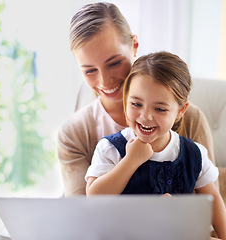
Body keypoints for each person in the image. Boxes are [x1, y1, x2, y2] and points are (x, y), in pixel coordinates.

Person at [58, 2, 215, 196]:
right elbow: (81, 212)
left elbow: (210, 204)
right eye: (90, 70)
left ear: (134, 46)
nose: (105, 81)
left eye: (114, 63)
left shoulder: (191, 119)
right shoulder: (74, 134)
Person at [85, 51, 226, 240]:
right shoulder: (110, 148)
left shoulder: (193, 153)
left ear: (181, 110)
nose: (145, 116)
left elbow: (212, 201)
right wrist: (131, 161)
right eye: (136, 104)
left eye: (160, 109)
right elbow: (94, 198)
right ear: (125, 100)